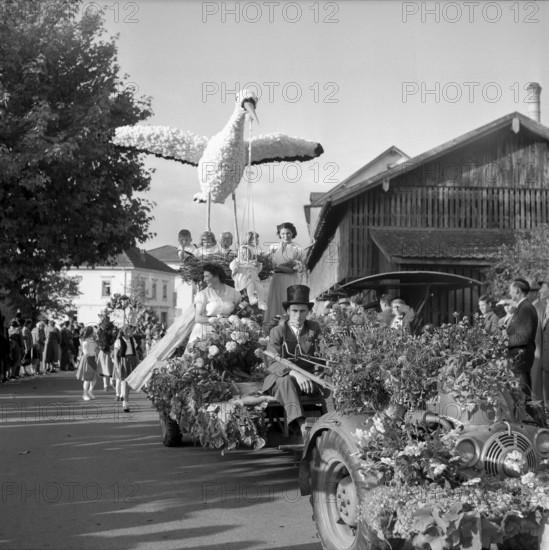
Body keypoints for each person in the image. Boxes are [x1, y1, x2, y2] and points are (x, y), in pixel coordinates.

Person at [262, 285, 331, 441]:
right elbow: (273, 361)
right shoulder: (278, 331)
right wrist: (295, 373)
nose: (298, 315)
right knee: (286, 381)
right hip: (284, 377)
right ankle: (301, 425)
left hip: (310, 377)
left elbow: (325, 349)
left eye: (302, 311)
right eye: (294, 311)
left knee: (328, 378)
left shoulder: (314, 328)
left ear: (308, 312)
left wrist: (334, 356)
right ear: (288, 311)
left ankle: (331, 420)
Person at [186, 262, 242, 347]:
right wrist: (216, 320)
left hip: (227, 334)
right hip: (204, 333)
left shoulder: (234, 293)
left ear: (216, 276)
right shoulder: (202, 295)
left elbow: (239, 312)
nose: (204, 279)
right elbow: (198, 318)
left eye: (207, 276)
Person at [265, 222, 303, 326]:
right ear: (280, 234)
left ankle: (290, 327)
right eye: (283, 234)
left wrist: (277, 266)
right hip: (277, 279)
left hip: (290, 280)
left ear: (292, 233)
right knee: (276, 303)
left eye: (288, 233)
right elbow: (267, 262)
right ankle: (274, 329)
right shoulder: (274, 247)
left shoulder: (297, 249)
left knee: (288, 301)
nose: (285, 236)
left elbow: (293, 269)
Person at [506, 278, 538, 397]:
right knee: (520, 396)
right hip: (518, 358)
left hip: (520, 359)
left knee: (523, 396)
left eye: (511, 291)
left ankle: (530, 415)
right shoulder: (523, 307)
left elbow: (524, 337)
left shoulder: (526, 308)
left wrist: (504, 341)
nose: (510, 294)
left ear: (518, 291)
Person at [230, 244, 266, 309]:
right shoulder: (238, 261)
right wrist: (234, 268)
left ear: (250, 254)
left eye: (246, 253)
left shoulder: (253, 262)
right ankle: (251, 297)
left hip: (255, 279)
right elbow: (232, 264)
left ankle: (261, 303)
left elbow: (258, 270)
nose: (243, 255)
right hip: (244, 279)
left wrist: (258, 265)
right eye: (241, 253)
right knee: (250, 284)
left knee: (260, 289)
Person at [113, 326, 139, 412]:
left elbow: (135, 353)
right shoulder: (119, 341)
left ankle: (125, 400)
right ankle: (125, 403)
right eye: (130, 330)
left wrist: (138, 362)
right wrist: (117, 367)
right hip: (123, 362)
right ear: (125, 331)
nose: (132, 331)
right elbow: (116, 355)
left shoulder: (132, 340)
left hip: (132, 361)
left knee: (128, 384)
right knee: (124, 383)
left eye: (132, 330)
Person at [75, 326, 98, 401]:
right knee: (87, 378)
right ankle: (84, 394)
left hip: (93, 358)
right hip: (87, 359)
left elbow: (96, 348)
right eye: (92, 331)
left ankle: (90, 391)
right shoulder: (85, 341)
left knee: (94, 377)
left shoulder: (93, 340)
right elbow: (85, 351)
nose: (94, 333)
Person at [96, 311, 115, 391]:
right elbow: (98, 341)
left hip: (108, 350)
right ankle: (107, 384)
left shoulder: (107, 330)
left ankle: (108, 384)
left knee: (108, 368)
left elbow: (112, 339)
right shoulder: (100, 331)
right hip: (105, 350)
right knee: (107, 368)